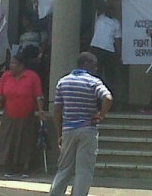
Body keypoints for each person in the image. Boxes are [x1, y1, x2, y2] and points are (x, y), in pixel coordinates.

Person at [48, 52, 113, 196]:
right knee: (84, 169)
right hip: (87, 129)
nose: (96, 69)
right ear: (87, 64)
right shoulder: (93, 81)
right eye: (94, 66)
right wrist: (101, 115)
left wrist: (59, 133)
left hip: (68, 130)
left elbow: (57, 111)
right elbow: (108, 98)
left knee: (64, 168)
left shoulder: (62, 82)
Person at [0, 51, 45, 178]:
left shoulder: (32, 77)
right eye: (11, 63)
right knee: (9, 140)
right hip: (9, 114)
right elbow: (0, 96)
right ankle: (10, 167)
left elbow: (38, 96)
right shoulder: (6, 76)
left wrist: (41, 110)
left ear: (21, 65)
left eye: (14, 63)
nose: (11, 65)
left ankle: (25, 167)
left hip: (27, 115)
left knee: (25, 141)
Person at [89, 1, 122, 95]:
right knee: (96, 74)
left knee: (110, 76)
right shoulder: (99, 17)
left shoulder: (116, 23)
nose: (110, 10)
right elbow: (97, 6)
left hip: (109, 51)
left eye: (112, 9)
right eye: (108, 8)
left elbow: (117, 40)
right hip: (96, 48)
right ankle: (94, 99)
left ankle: (107, 98)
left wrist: (119, 54)